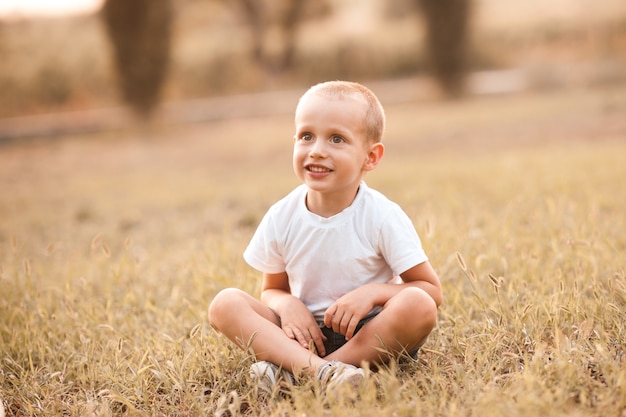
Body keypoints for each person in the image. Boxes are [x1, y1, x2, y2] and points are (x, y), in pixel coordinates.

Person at [208, 80, 442, 394]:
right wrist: (289, 304)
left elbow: (430, 290)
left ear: (370, 157)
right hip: (299, 333)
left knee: (419, 305)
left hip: (369, 332)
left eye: (336, 139)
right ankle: (324, 374)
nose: (317, 150)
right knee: (225, 304)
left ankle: (294, 370)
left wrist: (372, 293)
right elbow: (272, 290)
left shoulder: (382, 216)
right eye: (306, 136)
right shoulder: (282, 215)